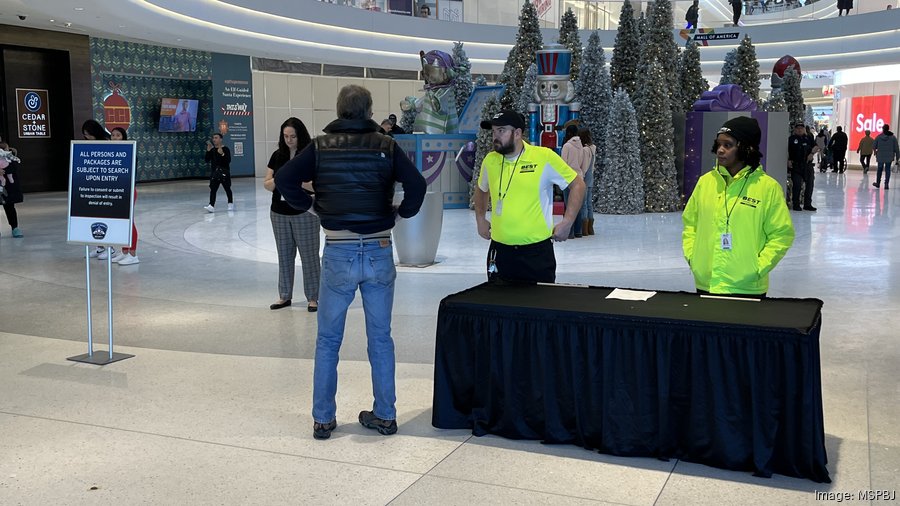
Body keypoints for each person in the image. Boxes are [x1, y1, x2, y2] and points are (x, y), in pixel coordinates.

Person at [274, 85, 426, 440]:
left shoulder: (321, 147)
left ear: (339, 110)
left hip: (339, 251)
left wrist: (312, 206)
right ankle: (386, 414)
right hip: (378, 249)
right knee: (381, 338)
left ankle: (324, 418)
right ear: (370, 110)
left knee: (328, 339)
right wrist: (399, 215)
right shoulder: (387, 146)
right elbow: (417, 185)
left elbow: (284, 179)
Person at [682, 116, 794, 297]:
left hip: (747, 287)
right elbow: (690, 225)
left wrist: (756, 269)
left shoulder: (767, 187)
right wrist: (694, 259)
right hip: (706, 282)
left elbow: (782, 234)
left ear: (746, 148)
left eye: (728, 145)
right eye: (719, 144)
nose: (720, 150)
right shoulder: (705, 182)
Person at [474, 110, 586, 284]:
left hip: (537, 255)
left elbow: (578, 184)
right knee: (499, 308)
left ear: (517, 133)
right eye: (494, 131)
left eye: (501, 131)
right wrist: (480, 218)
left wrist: (568, 221)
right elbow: (481, 189)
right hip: (500, 252)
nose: (495, 136)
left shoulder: (544, 157)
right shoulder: (490, 160)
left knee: (539, 308)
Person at [263, 117, 321, 312]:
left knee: (309, 256)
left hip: (304, 212)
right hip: (279, 213)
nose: (289, 140)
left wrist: (294, 181)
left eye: (293, 136)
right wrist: (281, 180)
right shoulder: (277, 156)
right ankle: (284, 295)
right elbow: (267, 183)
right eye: (285, 136)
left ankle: (313, 297)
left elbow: (317, 186)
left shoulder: (310, 155)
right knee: (284, 255)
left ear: (300, 135)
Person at [81, 120, 117, 259]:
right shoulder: (87, 144)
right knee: (94, 218)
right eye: (85, 135)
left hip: (106, 186)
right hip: (92, 186)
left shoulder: (107, 141)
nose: (87, 137)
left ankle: (110, 247)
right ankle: (99, 247)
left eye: (89, 134)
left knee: (106, 217)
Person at [108, 127, 140, 265]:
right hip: (115, 190)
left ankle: (133, 254)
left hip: (127, 189)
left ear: (124, 137)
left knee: (129, 222)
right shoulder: (109, 153)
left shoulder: (130, 152)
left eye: (118, 135)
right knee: (120, 222)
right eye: (113, 135)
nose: (115, 138)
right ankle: (124, 251)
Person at [560, 124, 585, 238]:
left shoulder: (567, 146)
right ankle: (578, 231)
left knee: (568, 204)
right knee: (577, 205)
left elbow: (562, 163)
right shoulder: (581, 145)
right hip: (579, 176)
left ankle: (569, 232)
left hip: (568, 178)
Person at [788, 122, 818, 211]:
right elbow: (787, 150)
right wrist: (788, 160)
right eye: (798, 128)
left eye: (801, 128)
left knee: (810, 185)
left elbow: (816, 147)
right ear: (795, 129)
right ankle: (796, 204)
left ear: (804, 129)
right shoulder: (791, 139)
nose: (800, 129)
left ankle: (807, 204)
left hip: (807, 165)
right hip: (796, 165)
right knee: (797, 185)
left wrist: (812, 153)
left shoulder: (809, 138)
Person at [204, 133, 233, 212]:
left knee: (227, 188)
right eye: (213, 138)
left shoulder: (225, 149)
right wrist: (208, 151)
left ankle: (230, 203)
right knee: (213, 189)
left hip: (224, 172)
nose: (214, 139)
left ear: (220, 139)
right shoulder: (212, 150)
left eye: (216, 138)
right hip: (215, 173)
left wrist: (222, 154)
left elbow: (228, 160)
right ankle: (211, 205)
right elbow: (207, 160)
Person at [0, 142, 23, 238]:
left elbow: (14, 167)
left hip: (8, 187)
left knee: (10, 207)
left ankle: (15, 228)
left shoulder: (10, 157)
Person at [579, 127, 597, 236]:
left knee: (584, 203)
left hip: (585, 177)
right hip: (591, 176)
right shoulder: (593, 147)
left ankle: (584, 229)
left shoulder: (585, 149)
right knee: (589, 203)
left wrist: (582, 175)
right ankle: (590, 228)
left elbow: (585, 165)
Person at [872, 124, 900, 190]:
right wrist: (898, 157)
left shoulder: (878, 137)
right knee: (888, 170)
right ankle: (886, 184)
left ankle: (878, 183)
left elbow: (874, 146)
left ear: (883, 129)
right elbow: (897, 148)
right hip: (889, 156)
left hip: (880, 156)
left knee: (879, 169)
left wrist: (875, 152)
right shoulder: (893, 137)